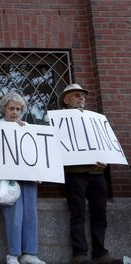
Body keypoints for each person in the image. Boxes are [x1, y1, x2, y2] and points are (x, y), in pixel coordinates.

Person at [59, 84, 121, 264]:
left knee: (100, 214)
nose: (81, 98)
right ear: (66, 99)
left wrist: (106, 160)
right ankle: (80, 254)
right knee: (78, 213)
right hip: (75, 174)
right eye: (77, 95)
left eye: (83, 96)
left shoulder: (95, 120)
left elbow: (106, 143)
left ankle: (100, 253)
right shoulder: (59, 121)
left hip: (97, 173)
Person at [0, 92, 45, 264]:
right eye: (11, 108)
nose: (15, 112)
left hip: (28, 177)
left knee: (30, 214)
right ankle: (13, 254)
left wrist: (40, 172)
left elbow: (34, 153)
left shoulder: (27, 127)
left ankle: (30, 253)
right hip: (9, 176)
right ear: (4, 109)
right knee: (14, 215)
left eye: (18, 109)